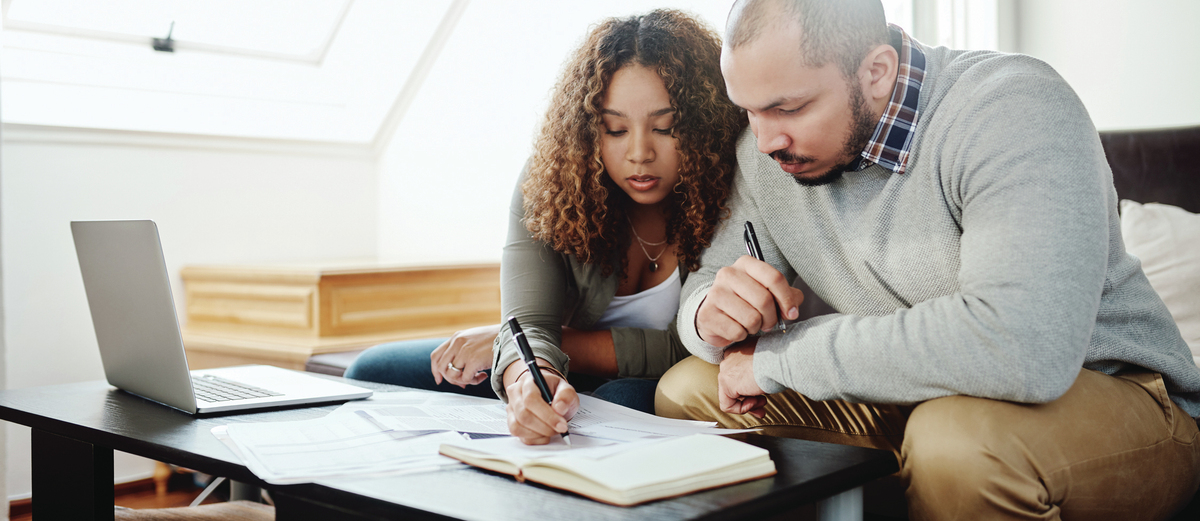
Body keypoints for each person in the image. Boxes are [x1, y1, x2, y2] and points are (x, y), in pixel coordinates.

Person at [654, 0, 1200, 519]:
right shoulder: (766, 152)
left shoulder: (1014, 107)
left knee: (956, 441)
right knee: (687, 393)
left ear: (877, 70)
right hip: (916, 395)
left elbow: (1020, 345)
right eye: (748, 110)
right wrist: (712, 314)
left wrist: (779, 358)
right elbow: (706, 286)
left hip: (1117, 395)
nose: (766, 139)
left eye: (788, 107)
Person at [347, 9, 745, 438]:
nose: (639, 153)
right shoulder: (553, 181)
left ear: (705, 125)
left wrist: (514, 341)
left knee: (619, 402)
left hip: (653, 379)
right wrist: (526, 376)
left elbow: (686, 344)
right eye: (614, 130)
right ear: (589, 129)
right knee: (373, 371)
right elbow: (529, 322)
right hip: (554, 362)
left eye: (665, 127)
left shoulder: (730, 192)